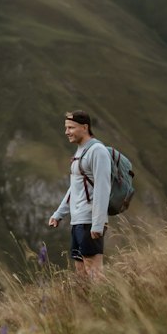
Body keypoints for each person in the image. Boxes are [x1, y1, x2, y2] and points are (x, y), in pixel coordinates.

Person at [48, 109, 111, 281]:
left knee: (94, 271)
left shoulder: (97, 151)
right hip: (78, 221)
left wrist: (97, 224)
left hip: (90, 221)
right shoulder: (80, 152)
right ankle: (87, 307)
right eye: (66, 127)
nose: (66, 132)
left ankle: (110, 305)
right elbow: (74, 189)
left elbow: (102, 188)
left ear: (85, 127)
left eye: (71, 127)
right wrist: (59, 214)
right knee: (81, 272)